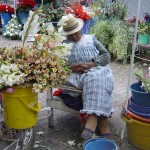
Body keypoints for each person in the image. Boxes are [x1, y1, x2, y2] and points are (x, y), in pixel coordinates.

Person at [59, 14, 114, 140]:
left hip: (94, 71)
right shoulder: (62, 44)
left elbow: (106, 56)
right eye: (70, 34)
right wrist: (71, 68)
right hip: (74, 77)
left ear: (80, 29)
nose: (73, 37)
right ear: (65, 34)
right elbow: (57, 64)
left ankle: (93, 119)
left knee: (98, 76)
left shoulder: (91, 39)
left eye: (75, 33)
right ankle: (103, 124)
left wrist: (92, 64)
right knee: (96, 79)